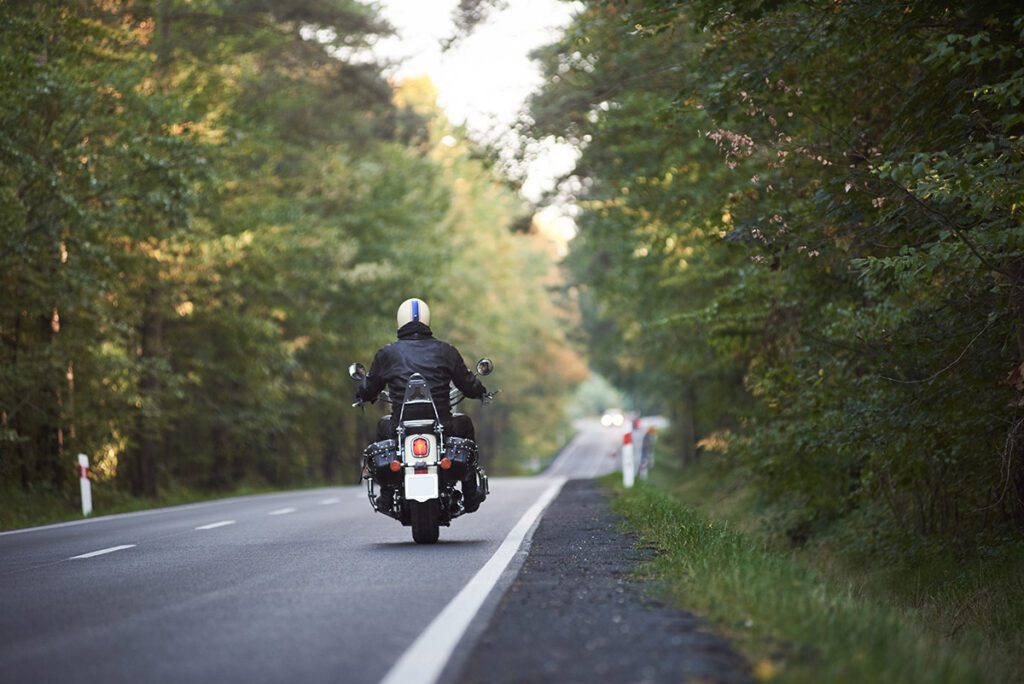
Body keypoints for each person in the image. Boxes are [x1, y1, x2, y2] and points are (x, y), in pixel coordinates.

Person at [356, 298, 488, 510]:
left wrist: (362, 394)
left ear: (400, 320)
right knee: (466, 425)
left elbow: (370, 386)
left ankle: (387, 493)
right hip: (443, 425)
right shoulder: (446, 350)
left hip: (401, 426)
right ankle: (470, 491)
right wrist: (480, 392)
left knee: (383, 427)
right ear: (426, 320)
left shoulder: (387, 354)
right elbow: (467, 382)